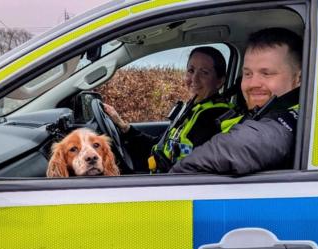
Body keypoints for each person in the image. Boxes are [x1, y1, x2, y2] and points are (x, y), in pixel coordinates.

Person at [170, 27, 302, 174]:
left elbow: (255, 141)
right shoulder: (260, 113)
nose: (253, 84)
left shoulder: (293, 120)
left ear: (299, 79)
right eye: (247, 73)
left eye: (266, 73)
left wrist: (170, 183)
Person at [104, 46, 232, 172]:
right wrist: (124, 127)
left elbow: (197, 171)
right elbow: (160, 145)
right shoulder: (192, 109)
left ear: (220, 81)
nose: (194, 79)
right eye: (191, 71)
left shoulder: (215, 118)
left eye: (204, 72)